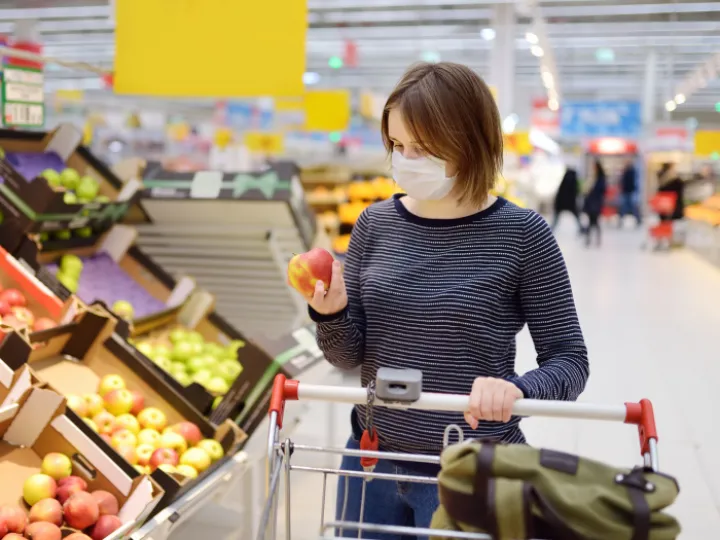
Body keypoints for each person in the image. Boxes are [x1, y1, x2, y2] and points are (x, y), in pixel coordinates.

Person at [306, 62, 589, 539]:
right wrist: (330, 313)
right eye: (397, 146)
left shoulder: (521, 235)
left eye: (424, 148)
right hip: (371, 460)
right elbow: (348, 357)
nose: (406, 159)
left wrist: (518, 391)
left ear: (470, 142)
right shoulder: (375, 225)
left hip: (470, 468)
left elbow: (570, 360)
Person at [582, 160, 607, 247]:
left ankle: (593, 239)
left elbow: (601, 190)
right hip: (592, 203)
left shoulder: (600, 179)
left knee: (594, 221)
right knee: (591, 222)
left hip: (595, 203)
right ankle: (590, 239)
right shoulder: (594, 177)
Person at [551, 166, 582, 232]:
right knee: (577, 217)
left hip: (561, 203)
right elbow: (576, 191)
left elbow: (560, 191)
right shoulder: (573, 179)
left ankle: (550, 230)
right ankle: (581, 229)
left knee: (555, 219)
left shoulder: (565, 179)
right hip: (570, 203)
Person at [618, 158, 642, 226]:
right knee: (624, 207)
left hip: (630, 192)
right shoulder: (626, 172)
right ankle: (621, 219)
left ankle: (638, 219)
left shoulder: (632, 171)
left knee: (632, 207)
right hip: (626, 192)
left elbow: (634, 182)